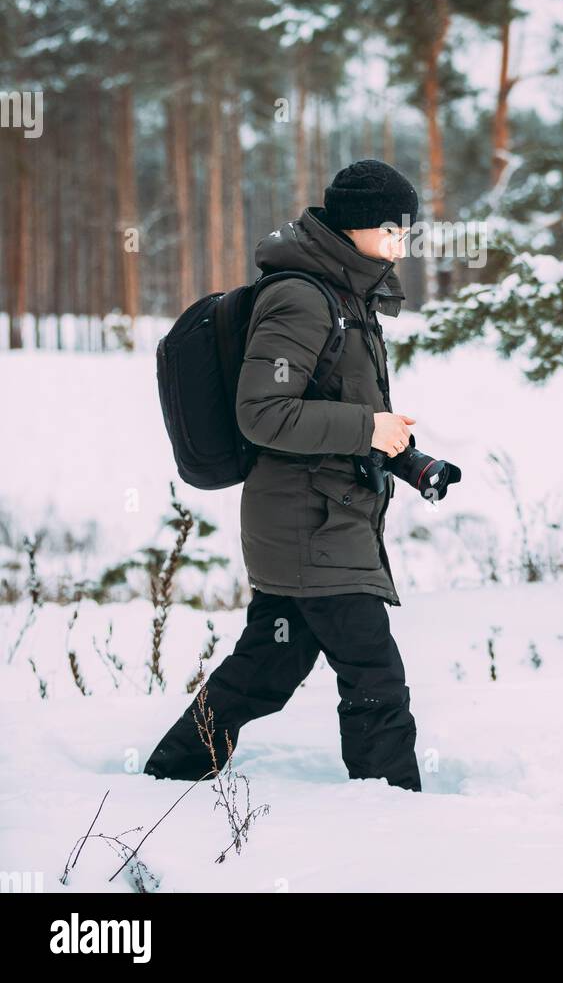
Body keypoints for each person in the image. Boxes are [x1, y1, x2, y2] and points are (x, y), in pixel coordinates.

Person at [143, 159, 423, 793]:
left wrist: (402, 454)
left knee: (268, 665)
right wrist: (364, 429)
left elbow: (339, 406)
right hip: (308, 523)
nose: (404, 242)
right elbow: (263, 414)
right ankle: (400, 814)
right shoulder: (301, 296)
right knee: (373, 676)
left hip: (324, 517)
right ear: (358, 227)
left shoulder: (350, 294)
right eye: (395, 228)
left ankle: (171, 774)